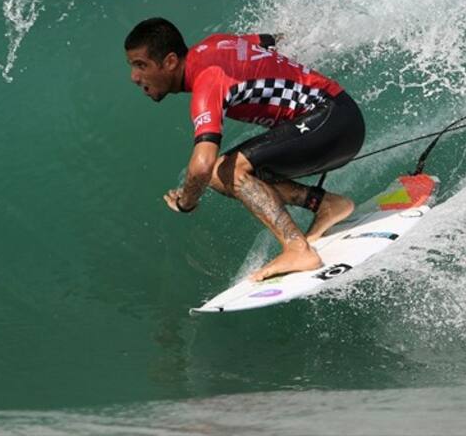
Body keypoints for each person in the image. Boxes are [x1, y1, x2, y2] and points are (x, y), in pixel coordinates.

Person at [124, 17, 365, 281]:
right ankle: (325, 204)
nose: (135, 77)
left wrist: (186, 202)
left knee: (222, 171)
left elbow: (202, 165)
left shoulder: (207, 82)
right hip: (338, 114)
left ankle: (298, 249)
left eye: (141, 66)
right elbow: (275, 41)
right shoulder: (216, 44)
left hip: (332, 123)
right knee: (242, 169)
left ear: (170, 62)